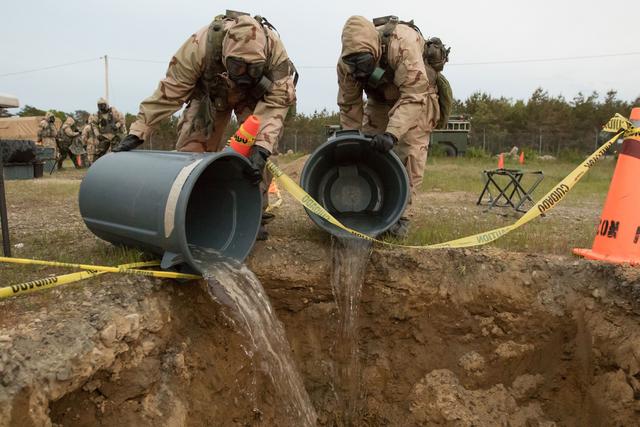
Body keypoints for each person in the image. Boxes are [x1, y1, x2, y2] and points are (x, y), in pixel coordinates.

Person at [113, 11, 297, 240]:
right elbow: (170, 92)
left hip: (254, 99)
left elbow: (278, 99)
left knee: (257, 158)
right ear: (225, 54)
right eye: (238, 68)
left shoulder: (274, 51)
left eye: (253, 69)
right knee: (191, 154)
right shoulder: (200, 46)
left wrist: (262, 145)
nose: (243, 75)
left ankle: (253, 213)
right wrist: (138, 131)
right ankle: (192, 211)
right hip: (210, 94)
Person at [337, 15, 450, 237]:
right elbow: (350, 105)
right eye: (354, 66)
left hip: (417, 94)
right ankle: (373, 205)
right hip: (380, 98)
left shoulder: (402, 44)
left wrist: (392, 134)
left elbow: (413, 95)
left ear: (376, 50)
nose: (359, 72)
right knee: (368, 147)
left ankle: (401, 216)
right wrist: (349, 141)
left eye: (364, 65)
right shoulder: (346, 64)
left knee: (409, 152)